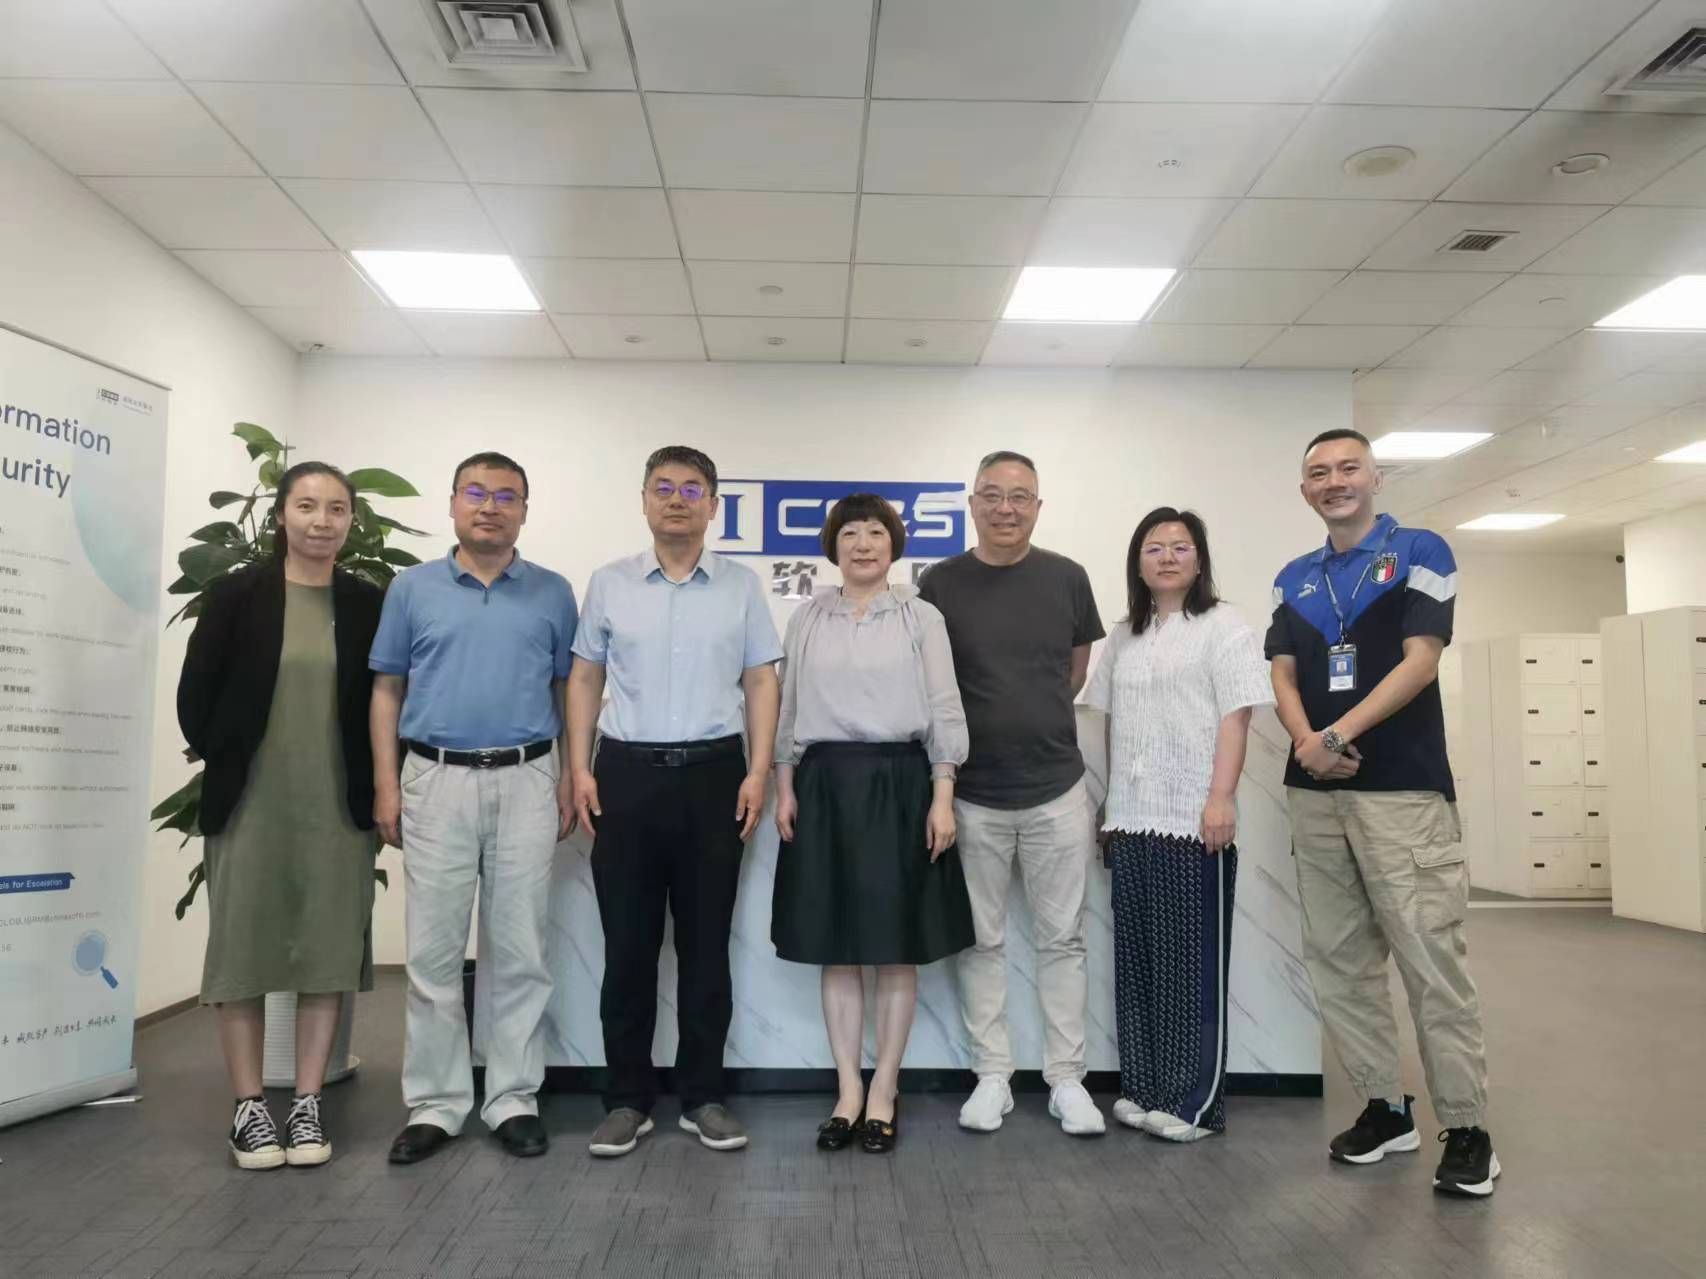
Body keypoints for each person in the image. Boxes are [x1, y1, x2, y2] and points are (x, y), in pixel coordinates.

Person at [1266, 427, 1498, 1198]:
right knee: (1339, 961)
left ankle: (1467, 1128)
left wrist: (1335, 735)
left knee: (1430, 960)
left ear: (1376, 477)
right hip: (1315, 795)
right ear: (1305, 488)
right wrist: (1308, 743)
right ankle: (1384, 1108)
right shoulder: (1294, 577)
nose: (1334, 481)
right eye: (1318, 472)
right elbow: (1283, 672)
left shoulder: (1420, 551)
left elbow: (1421, 661)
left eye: (1348, 468)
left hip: (1402, 791)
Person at [568, 445, 782, 1158]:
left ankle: (703, 1096)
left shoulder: (741, 586)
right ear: (644, 500)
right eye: (663, 487)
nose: (677, 500)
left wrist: (758, 770)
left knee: (705, 946)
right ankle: (627, 1099)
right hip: (625, 776)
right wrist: (579, 767)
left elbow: (761, 681)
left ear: (713, 505)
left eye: (693, 489)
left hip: (715, 775)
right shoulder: (610, 583)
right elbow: (585, 678)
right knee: (627, 946)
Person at [369, 452, 578, 1165]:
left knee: (520, 948)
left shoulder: (552, 592)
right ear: (454, 502)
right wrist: (387, 783)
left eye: (506, 496)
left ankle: (513, 1097)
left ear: (525, 509)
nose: (490, 507)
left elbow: (567, 690)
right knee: (432, 952)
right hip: (435, 777)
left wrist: (569, 774)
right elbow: (387, 690)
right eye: (477, 493)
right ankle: (435, 1103)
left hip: (528, 776)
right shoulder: (412, 589)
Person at [176, 461, 384, 1170]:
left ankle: (306, 1101)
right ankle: (247, 1108)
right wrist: (231, 753)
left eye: (336, 509)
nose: (322, 520)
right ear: (282, 515)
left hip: (338, 804)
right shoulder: (237, 594)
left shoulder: (366, 603)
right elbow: (195, 697)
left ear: (350, 520)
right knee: (243, 950)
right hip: (251, 802)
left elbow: (386, 699)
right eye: (307, 506)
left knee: (327, 950)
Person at [771, 494, 975, 1154]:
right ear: (833, 545)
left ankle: (884, 1088)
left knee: (894, 945)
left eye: (876, 533)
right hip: (823, 785)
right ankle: (847, 1091)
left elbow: (944, 707)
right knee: (837, 944)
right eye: (851, 533)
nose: (863, 544)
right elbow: (789, 707)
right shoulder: (807, 616)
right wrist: (784, 785)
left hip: (901, 784)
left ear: (894, 545)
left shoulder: (921, 616)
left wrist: (942, 795)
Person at [919, 449, 1107, 1137]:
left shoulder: (1067, 577)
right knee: (981, 941)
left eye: (1020, 496)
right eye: (992, 495)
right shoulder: (940, 583)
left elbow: (1074, 671)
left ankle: (1067, 1080)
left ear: (1037, 506)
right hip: (972, 793)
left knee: (1063, 940)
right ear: (973, 504)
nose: (1006, 507)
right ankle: (992, 1076)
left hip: (1057, 788)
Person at [1084, 507, 1271, 1143]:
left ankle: (1194, 1104)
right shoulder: (1125, 635)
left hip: (1195, 820)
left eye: (1180, 547)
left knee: (1191, 966)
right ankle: (1144, 1088)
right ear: (1137, 563)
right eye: (1154, 548)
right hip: (1132, 819)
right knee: (1139, 961)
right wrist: (1109, 804)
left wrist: (1221, 797)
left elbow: (1237, 717)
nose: (1167, 557)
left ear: (1199, 559)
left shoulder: (1224, 627)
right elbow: (1113, 722)